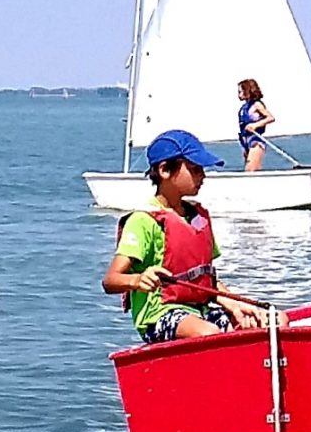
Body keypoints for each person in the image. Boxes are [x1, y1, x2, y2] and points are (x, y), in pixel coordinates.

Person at [102, 130, 267, 342]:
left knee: (270, 321)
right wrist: (138, 279)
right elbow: (110, 281)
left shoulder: (197, 217)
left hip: (201, 310)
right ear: (164, 170)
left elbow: (207, 279)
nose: (203, 176)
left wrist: (234, 303)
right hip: (160, 314)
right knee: (209, 334)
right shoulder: (143, 221)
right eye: (194, 170)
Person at [235, 78, 275, 173]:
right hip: (245, 141)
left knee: (250, 170)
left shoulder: (257, 105)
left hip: (255, 141)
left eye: (240, 91)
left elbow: (270, 118)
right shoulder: (244, 108)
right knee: (250, 169)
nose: (238, 94)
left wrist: (255, 125)